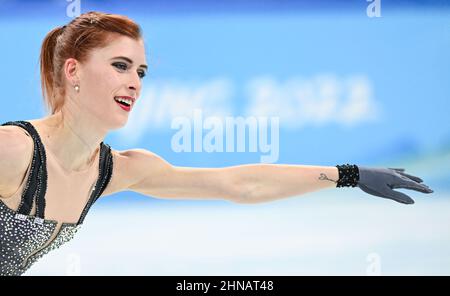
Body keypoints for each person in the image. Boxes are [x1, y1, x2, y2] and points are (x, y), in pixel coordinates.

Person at [0, 11, 433, 276]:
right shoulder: (15, 150)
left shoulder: (114, 169)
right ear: (72, 72)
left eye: (141, 72)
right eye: (120, 66)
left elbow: (239, 184)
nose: (134, 83)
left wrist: (348, 175)